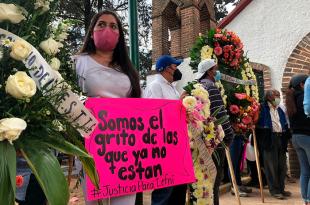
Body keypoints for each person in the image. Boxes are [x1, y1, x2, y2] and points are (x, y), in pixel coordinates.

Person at [75, 10, 141, 205]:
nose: (107, 29)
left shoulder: (128, 70)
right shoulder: (78, 63)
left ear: (119, 34)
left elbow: (141, 108)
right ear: (92, 30)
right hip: (92, 149)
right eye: (101, 24)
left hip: (126, 149)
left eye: (113, 26)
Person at [144, 55, 186, 205]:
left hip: (177, 143)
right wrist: (180, 104)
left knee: (179, 189)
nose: (177, 69)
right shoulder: (155, 86)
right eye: (175, 66)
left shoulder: (171, 87)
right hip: (163, 146)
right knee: (165, 191)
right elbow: (154, 116)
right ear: (167, 69)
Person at [196, 59, 234, 205]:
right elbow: (221, 115)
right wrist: (229, 136)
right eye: (215, 69)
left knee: (205, 180)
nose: (217, 72)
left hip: (202, 140)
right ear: (209, 71)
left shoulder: (199, 86)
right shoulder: (211, 87)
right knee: (214, 180)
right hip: (215, 141)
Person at [256, 89, 291, 200]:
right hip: (269, 139)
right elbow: (258, 124)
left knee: (282, 166)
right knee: (271, 166)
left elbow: (284, 124)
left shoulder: (280, 109)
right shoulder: (262, 108)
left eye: (279, 95)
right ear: (269, 97)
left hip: (281, 138)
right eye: (276, 95)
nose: (278, 98)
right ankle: (274, 190)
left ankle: (281, 188)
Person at [286, 74, 310, 205]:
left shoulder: (291, 98)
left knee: (305, 171)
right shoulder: (304, 98)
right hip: (307, 137)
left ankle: (306, 200)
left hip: (296, 137)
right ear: (302, 84)